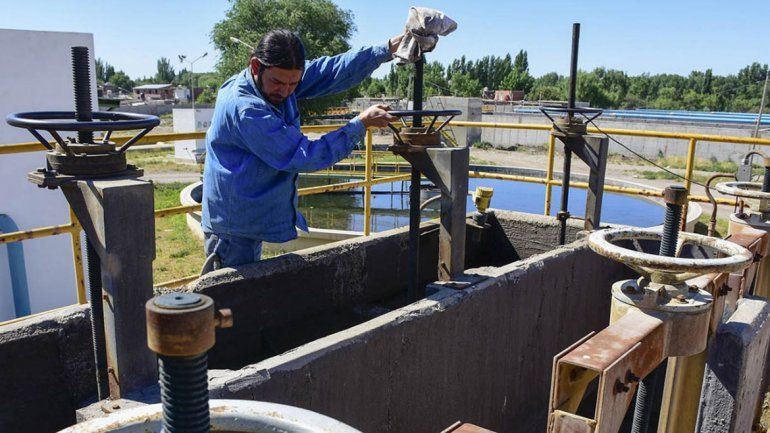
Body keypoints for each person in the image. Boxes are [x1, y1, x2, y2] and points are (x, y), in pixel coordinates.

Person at [201, 29, 402, 270]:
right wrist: (360, 125)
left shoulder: (276, 81)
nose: (286, 91)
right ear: (256, 66)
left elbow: (330, 71)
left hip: (249, 215)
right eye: (278, 82)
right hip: (232, 229)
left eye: (294, 83)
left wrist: (388, 48)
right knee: (231, 298)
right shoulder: (246, 109)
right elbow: (305, 155)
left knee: (247, 297)